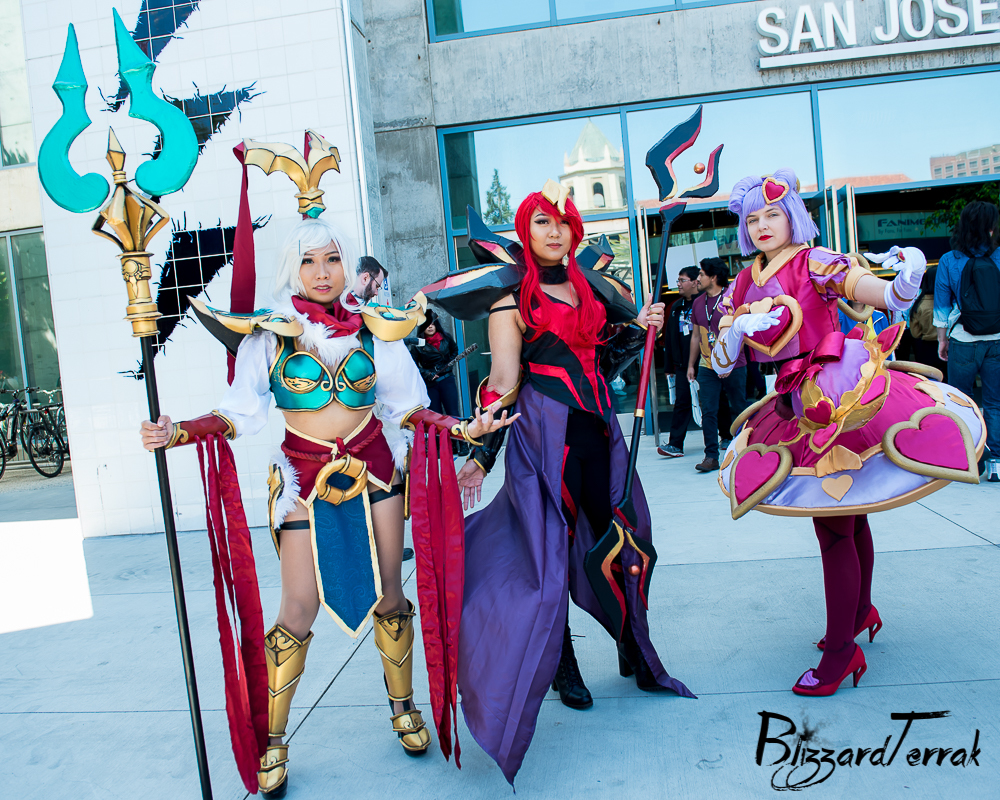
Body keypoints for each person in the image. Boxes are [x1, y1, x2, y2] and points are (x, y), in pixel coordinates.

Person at [139, 217, 511, 797]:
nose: (321, 272)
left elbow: (408, 408)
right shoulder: (272, 334)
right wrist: (179, 431)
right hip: (302, 479)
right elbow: (239, 412)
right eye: (309, 261)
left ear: (347, 265)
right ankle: (274, 737)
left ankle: (402, 706)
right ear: (294, 267)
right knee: (297, 607)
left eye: (332, 259)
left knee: (390, 595)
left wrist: (464, 429)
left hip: (376, 473)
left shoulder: (375, 329)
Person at [450, 184, 693, 785]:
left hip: (599, 430)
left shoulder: (592, 288)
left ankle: (632, 643)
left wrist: (642, 325)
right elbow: (504, 379)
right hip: (545, 435)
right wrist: (481, 450)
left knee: (624, 539)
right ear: (525, 232)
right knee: (549, 552)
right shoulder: (512, 297)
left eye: (562, 222)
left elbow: (609, 356)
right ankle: (562, 663)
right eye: (541, 222)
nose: (554, 231)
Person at [713, 169, 986, 698]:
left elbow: (877, 294)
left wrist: (904, 279)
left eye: (773, 214)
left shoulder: (814, 260)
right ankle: (859, 613)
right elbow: (723, 363)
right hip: (790, 404)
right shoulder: (743, 282)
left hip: (836, 400)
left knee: (835, 527)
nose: (762, 225)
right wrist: (736, 330)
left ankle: (841, 652)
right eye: (753, 218)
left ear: (792, 216)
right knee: (848, 518)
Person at [934, 200, 1000, 475]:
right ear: (991, 228)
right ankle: (996, 463)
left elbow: (941, 306)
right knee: (995, 402)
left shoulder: (950, 260)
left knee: (961, 401)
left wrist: (942, 340)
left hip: (963, 338)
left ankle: (969, 458)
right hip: (997, 339)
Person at [688, 257, 749, 472]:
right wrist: (691, 365)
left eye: (701, 274)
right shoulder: (698, 302)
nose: (697, 278)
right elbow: (696, 336)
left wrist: (727, 364)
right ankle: (711, 456)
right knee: (709, 411)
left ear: (713, 277)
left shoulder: (732, 299)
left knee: (739, 408)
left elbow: (742, 334)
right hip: (707, 365)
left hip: (734, 364)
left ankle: (745, 452)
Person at [658, 266, 700, 458]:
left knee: (715, 402)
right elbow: (670, 338)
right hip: (683, 365)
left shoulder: (704, 303)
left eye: (682, 280)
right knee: (682, 403)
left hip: (706, 364)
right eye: (678, 280)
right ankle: (675, 444)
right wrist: (669, 366)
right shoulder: (675, 307)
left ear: (695, 282)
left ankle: (726, 437)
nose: (678, 284)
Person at [409, 309, 460, 418]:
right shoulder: (417, 345)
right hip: (431, 383)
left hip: (447, 379)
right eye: (427, 325)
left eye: (432, 324)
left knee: (453, 414)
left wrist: (448, 363)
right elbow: (412, 366)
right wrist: (427, 373)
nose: (430, 327)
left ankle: (457, 430)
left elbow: (455, 350)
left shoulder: (446, 338)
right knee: (435, 416)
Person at [907, 267, 947, 375]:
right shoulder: (950, 302)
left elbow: (915, 333)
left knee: (930, 382)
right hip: (949, 347)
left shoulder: (919, 304)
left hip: (926, 349)